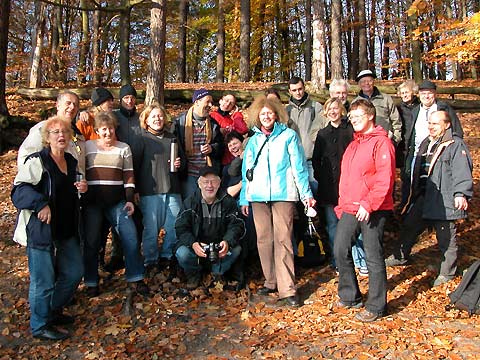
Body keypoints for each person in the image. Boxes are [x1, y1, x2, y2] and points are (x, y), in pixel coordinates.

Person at [12, 117, 87, 340]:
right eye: (55, 132)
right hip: (42, 231)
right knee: (43, 281)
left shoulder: (72, 162)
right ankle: (40, 325)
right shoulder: (38, 161)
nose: (61, 136)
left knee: (74, 272)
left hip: (66, 229)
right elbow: (19, 191)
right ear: (47, 137)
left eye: (64, 132)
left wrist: (82, 188)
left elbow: (73, 191)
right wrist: (40, 204)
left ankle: (52, 310)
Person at [239, 95, 316, 308]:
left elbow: (299, 168)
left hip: (283, 195)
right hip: (258, 197)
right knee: (264, 240)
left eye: (269, 113)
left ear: (276, 115)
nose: (266, 116)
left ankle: (288, 290)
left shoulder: (289, 136)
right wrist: (244, 197)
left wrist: (306, 194)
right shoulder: (253, 140)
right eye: (262, 113)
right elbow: (247, 173)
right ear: (257, 116)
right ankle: (271, 280)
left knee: (283, 239)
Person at [385, 111, 473, 287]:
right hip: (424, 195)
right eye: (430, 123)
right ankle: (399, 256)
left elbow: (462, 171)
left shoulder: (455, 145)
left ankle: (447, 272)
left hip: (444, 199)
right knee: (410, 226)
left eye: (435, 124)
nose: (431, 127)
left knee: (446, 238)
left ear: (447, 125)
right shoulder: (427, 142)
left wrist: (461, 194)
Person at [334, 98, 395, 322]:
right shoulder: (353, 144)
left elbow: (384, 180)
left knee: (373, 256)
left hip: (374, 208)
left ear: (370, 115)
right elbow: (346, 179)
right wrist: (342, 205)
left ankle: (377, 305)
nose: (354, 120)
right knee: (340, 249)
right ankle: (350, 296)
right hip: (350, 207)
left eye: (358, 116)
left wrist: (369, 204)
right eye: (351, 117)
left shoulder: (381, 143)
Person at [82, 112, 148, 297]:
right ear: (97, 130)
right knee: (92, 242)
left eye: (110, 128)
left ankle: (135, 277)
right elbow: (80, 171)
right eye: (104, 129)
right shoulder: (88, 147)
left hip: (117, 202)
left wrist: (129, 200)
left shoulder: (123, 148)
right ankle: (91, 281)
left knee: (131, 237)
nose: (108, 132)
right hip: (92, 203)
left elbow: (128, 175)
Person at [174, 166, 245, 290]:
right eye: (206, 182)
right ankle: (194, 274)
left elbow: (237, 225)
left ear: (219, 183)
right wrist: (193, 244)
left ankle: (217, 273)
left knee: (236, 249)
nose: (210, 186)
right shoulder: (190, 202)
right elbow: (181, 228)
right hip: (197, 246)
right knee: (182, 253)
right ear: (199, 184)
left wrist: (227, 242)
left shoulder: (228, 202)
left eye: (213, 181)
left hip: (219, 248)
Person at [136, 103, 185, 277]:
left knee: (173, 226)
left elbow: (183, 162)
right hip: (150, 190)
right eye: (153, 116)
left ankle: (167, 256)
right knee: (151, 229)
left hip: (172, 188)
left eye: (160, 116)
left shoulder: (172, 138)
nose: (157, 119)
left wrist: (179, 163)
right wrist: (135, 190)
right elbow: (134, 166)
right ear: (146, 120)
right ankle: (150, 261)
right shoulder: (142, 139)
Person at [312, 98, 359, 271]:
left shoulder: (350, 131)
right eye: (329, 109)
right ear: (325, 112)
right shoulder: (322, 134)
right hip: (329, 187)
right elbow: (316, 160)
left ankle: (354, 258)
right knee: (332, 224)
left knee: (350, 224)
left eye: (335, 108)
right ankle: (337, 259)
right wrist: (322, 177)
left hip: (349, 186)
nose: (333, 111)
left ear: (341, 110)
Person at [403, 80, 464, 200]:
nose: (426, 96)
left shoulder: (443, 108)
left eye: (429, 93)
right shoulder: (415, 111)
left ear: (435, 94)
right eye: (423, 93)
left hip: (439, 154)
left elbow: (457, 131)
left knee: (435, 184)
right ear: (418, 95)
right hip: (418, 154)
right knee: (415, 184)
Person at [173, 88, 224, 199]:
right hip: (188, 174)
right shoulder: (180, 123)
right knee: (190, 207)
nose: (210, 105)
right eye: (207, 101)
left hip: (207, 173)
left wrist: (212, 148)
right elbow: (174, 145)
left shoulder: (214, 124)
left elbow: (221, 146)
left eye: (212, 102)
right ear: (197, 102)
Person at [17, 90, 85, 175]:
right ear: (58, 105)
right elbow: (26, 156)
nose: (72, 107)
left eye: (75, 105)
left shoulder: (79, 136)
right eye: (68, 103)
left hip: (73, 186)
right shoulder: (43, 129)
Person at [286, 76, 325, 195]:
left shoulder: (315, 106)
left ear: (304, 88)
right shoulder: (286, 111)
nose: (298, 93)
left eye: (300, 89)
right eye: (294, 90)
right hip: (292, 158)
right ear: (289, 91)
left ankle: (316, 213)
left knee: (314, 187)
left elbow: (322, 129)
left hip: (311, 157)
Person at [354, 70, 402, 146]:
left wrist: (395, 140)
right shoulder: (355, 103)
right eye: (363, 81)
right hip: (364, 143)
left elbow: (396, 121)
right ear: (359, 84)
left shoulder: (385, 99)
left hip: (385, 142)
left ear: (374, 82)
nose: (366, 83)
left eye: (369, 81)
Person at [396, 80, 420, 205]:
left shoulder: (420, 107)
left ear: (413, 93)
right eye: (402, 93)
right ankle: (405, 203)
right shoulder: (398, 108)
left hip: (418, 146)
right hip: (404, 147)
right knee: (405, 177)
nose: (404, 95)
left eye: (407, 92)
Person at [209, 93, 248, 165]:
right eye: (226, 100)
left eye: (231, 104)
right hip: (215, 155)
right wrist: (218, 131)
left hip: (229, 157)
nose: (227, 104)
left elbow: (243, 130)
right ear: (220, 100)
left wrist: (237, 114)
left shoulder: (232, 119)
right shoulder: (211, 116)